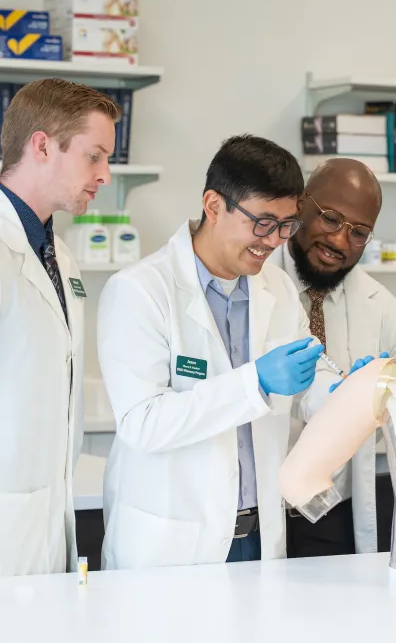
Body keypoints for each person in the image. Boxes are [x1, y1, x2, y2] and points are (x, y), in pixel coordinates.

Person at [97, 135, 340, 569]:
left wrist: (346, 392)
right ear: (213, 205)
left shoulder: (278, 289)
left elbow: (310, 378)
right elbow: (143, 424)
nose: (275, 241)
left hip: (259, 536)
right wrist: (255, 382)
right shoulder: (140, 291)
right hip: (172, 546)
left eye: (287, 225)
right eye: (263, 222)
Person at [0, 79, 119, 576]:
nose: (106, 175)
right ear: (43, 145)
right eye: (94, 156)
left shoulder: (58, 257)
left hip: (45, 515)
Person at [270, 157, 396, 557]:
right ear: (300, 205)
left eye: (359, 232)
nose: (341, 242)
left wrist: (373, 403)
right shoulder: (258, 288)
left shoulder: (382, 306)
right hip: (264, 509)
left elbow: (385, 425)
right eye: (330, 218)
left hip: (335, 514)